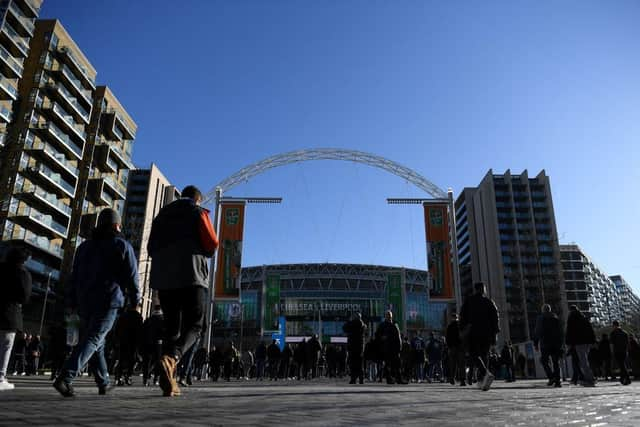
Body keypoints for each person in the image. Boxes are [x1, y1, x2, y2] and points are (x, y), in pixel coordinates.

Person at [53, 208, 140, 397]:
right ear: (117, 225)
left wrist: (72, 300)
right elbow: (133, 277)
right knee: (93, 339)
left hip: (84, 301)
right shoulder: (122, 246)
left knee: (97, 342)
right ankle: (65, 378)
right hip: (109, 299)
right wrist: (135, 301)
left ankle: (103, 382)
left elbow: (74, 276)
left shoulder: (83, 248)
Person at [147, 185, 219, 397]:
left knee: (171, 328)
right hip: (192, 276)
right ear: (198, 199)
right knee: (196, 325)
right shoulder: (197, 212)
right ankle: (172, 358)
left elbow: (151, 248)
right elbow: (212, 243)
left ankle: (170, 381)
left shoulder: (161, 216)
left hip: (164, 279)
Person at [0, 247, 32, 391]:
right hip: (10, 313)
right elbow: (25, 296)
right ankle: (0, 378)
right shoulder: (22, 273)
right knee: (6, 347)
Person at [460, 282, 499, 391]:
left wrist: (462, 330)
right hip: (487, 333)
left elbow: (462, 316)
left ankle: (485, 374)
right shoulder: (489, 302)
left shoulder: (469, 301)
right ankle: (483, 380)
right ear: (483, 289)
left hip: (473, 332)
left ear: (475, 289)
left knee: (474, 354)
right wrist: (495, 333)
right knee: (484, 355)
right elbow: (495, 318)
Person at [565, 305, 596, 387]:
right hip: (587, 342)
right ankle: (589, 377)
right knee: (585, 360)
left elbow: (569, 331)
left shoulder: (571, 318)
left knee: (583, 361)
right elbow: (590, 330)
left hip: (579, 342)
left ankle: (590, 379)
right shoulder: (584, 318)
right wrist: (593, 340)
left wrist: (568, 343)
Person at [534, 304, 563, 387]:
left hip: (545, 344)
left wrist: (536, 343)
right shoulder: (556, 318)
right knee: (555, 363)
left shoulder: (540, 318)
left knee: (544, 361)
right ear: (550, 310)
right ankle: (557, 381)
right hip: (556, 344)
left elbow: (537, 331)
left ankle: (551, 377)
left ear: (543, 310)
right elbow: (560, 332)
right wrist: (561, 343)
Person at [375, 310, 406, 384]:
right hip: (387, 348)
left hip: (395, 348)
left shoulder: (395, 324)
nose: (389, 317)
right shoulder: (382, 325)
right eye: (387, 315)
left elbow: (398, 336)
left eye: (390, 315)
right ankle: (389, 379)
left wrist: (400, 346)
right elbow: (377, 335)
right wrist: (382, 338)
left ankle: (399, 379)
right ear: (385, 316)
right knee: (387, 364)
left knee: (397, 364)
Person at [115, 305, 143, 386]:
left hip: (123, 340)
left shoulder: (123, 316)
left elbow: (117, 329)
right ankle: (128, 376)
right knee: (132, 359)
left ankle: (119, 377)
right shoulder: (138, 317)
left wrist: (117, 339)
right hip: (133, 341)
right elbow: (140, 331)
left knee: (121, 359)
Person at [141, 306, 164, 386]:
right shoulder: (162, 319)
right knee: (158, 362)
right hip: (158, 344)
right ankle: (156, 378)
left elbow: (143, 331)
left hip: (147, 343)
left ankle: (145, 379)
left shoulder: (148, 320)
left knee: (147, 362)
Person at [343, 312, 366, 384]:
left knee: (353, 363)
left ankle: (353, 378)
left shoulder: (352, 323)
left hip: (352, 346)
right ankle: (361, 378)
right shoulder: (363, 325)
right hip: (360, 346)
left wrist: (348, 320)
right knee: (360, 363)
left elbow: (344, 328)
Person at [446, 313, 465, 386]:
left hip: (452, 348)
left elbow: (447, 338)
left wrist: (449, 346)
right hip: (460, 347)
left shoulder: (449, 327)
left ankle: (452, 379)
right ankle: (462, 380)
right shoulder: (460, 326)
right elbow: (464, 337)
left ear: (452, 318)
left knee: (453, 364)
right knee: (461, 365)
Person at [609, 320, 631, 385]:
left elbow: (611, 344)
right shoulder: (625, 333)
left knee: (621, 365)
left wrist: (612, 351)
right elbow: (628, 343)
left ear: (614, 325)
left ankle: (627, 378)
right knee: (622, 364)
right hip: (624, 351)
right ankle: (622, 378)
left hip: (617, 351)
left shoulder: (613, 333)